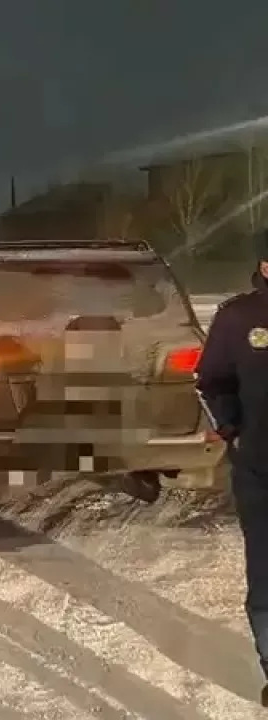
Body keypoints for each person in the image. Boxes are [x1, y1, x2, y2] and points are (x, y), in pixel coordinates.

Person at [195, 230, 268, 705]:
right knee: (266, 575)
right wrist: (230, 425)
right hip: (261, 469)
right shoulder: (239, 316)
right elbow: (212, 378)